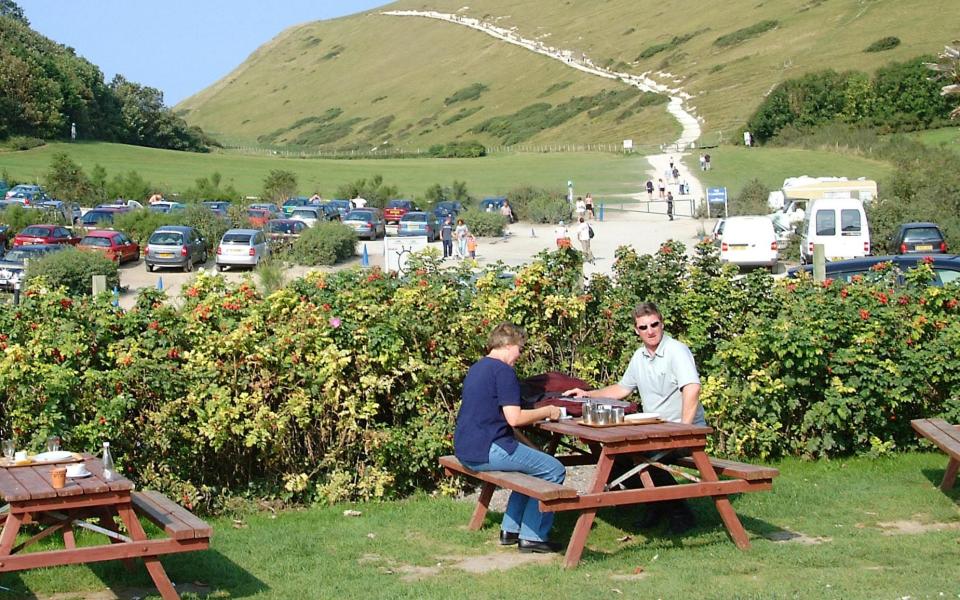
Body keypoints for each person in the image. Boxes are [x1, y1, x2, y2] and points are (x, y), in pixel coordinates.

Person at [563, 302, 704, 533]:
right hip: (654, 429)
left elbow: (692, 388)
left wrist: (684, 430)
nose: (650, 331)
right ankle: (656, 505)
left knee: (644, 457)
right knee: (617, 458)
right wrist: (587, 394)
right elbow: (621, 389)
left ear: (662, 323)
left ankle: (680, 514)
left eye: (654, 324)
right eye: (643, 327)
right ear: (636, 330)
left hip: (682, 431)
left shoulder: (676, 350)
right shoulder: (639, 356)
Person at [455, 323, 566, 553]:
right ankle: (533, 536)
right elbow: (514, 418)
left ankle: (511, 530)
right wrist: (549, 410)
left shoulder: (477, 368)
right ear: (508, 345)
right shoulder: (503, 371)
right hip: (488, 449)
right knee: (554, 469)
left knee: (530, 469)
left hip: (466, 448)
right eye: (520, 349)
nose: (520, 355)